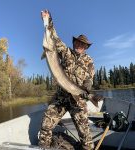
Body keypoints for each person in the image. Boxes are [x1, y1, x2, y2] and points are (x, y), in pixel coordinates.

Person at [39, 10, 98, 150]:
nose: (79, 45)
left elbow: (89, 78)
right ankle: (43, 148)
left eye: (83, 44)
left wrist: (87, 89)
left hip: (77, 99)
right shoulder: (66, 52)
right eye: (78, 42)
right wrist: (47, 21)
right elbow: (54, 37)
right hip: (61, 97)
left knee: (86, 135)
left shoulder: (89, 61)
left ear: (86, 47)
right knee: (45, 126)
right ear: (74, 43)